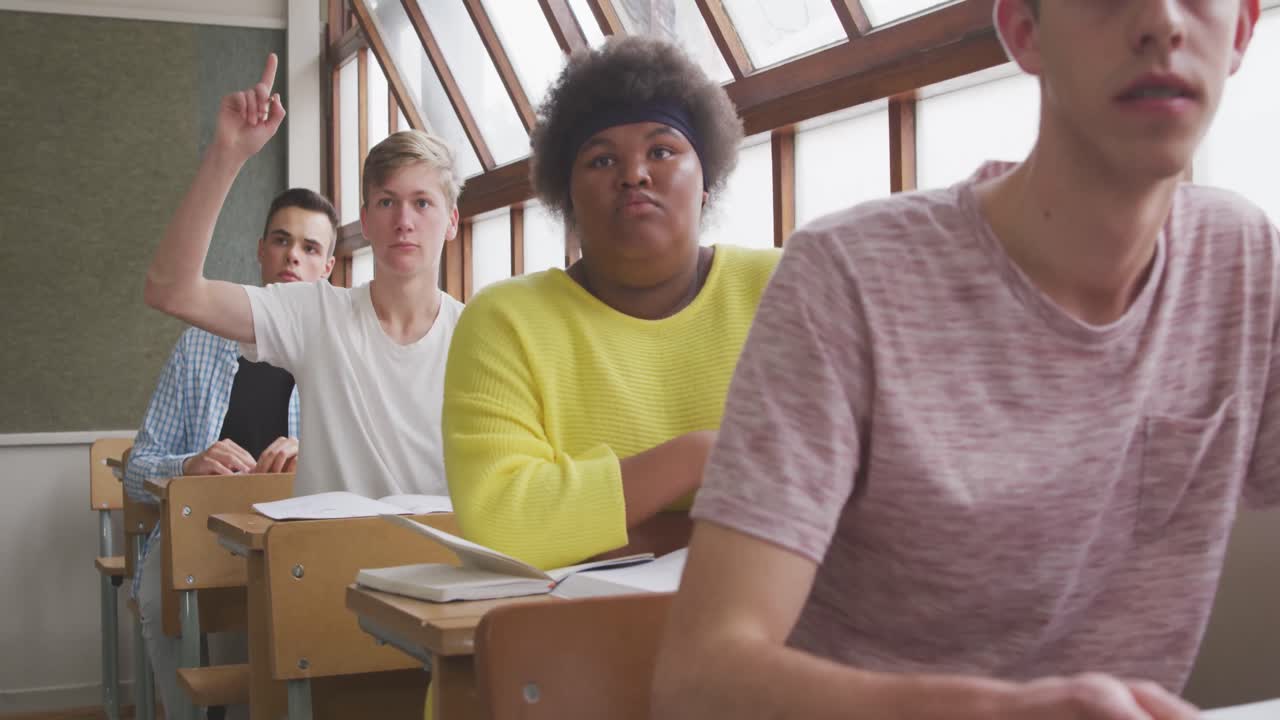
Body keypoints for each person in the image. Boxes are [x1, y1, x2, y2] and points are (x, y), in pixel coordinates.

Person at [653, 1, 1273, 718]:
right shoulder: (848, 279)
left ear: (1243, 29)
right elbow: (697, 681)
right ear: (1023, 31)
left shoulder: (1242, 259)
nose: (1163, 21)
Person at [442, 34, 779, 572]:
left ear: (707, 181)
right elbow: (503, 524)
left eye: (662, 150)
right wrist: (703, 456)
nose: (634, 174)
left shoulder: (784, 290)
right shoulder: (506, 321)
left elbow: (862, 500)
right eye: (601, 160)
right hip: (574, 640)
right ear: (567, 197)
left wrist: (596, 532)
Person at [143, 53, 464, 501]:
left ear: (452, 221)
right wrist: (228, 153)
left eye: (422, 203)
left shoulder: (476, 335)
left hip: (442, 563)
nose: (404, 221)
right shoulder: (317, 312)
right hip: (329, 566)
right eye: (388, 202)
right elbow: (171, 290)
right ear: (366, 221)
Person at [125, 187, 337, 719]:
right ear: (261, 250)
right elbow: (135, 470)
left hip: (297, 540)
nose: (294, 256)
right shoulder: (200, 340)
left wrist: (311, 452)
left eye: (311, 248)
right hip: (200, 531)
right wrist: (189, 465)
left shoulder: (342, 350)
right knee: (158, 599)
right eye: (283, 241)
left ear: (329, 267)